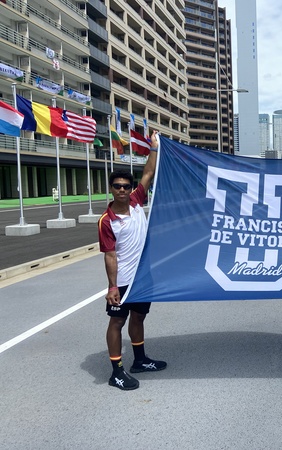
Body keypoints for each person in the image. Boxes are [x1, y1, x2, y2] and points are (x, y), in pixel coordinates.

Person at [98, 130, 166, 390]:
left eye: (126, 186)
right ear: (112, 190)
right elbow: (110, 255)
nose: (123, 190)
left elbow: (148, 174)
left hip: (143, 276)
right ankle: (116, 372)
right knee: (117, 321)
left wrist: (155, 148)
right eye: (118, 186)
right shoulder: (107, 221)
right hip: (124, 279)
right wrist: (112, 286)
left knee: (139, 318)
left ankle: (140, 360)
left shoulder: (137, 201)